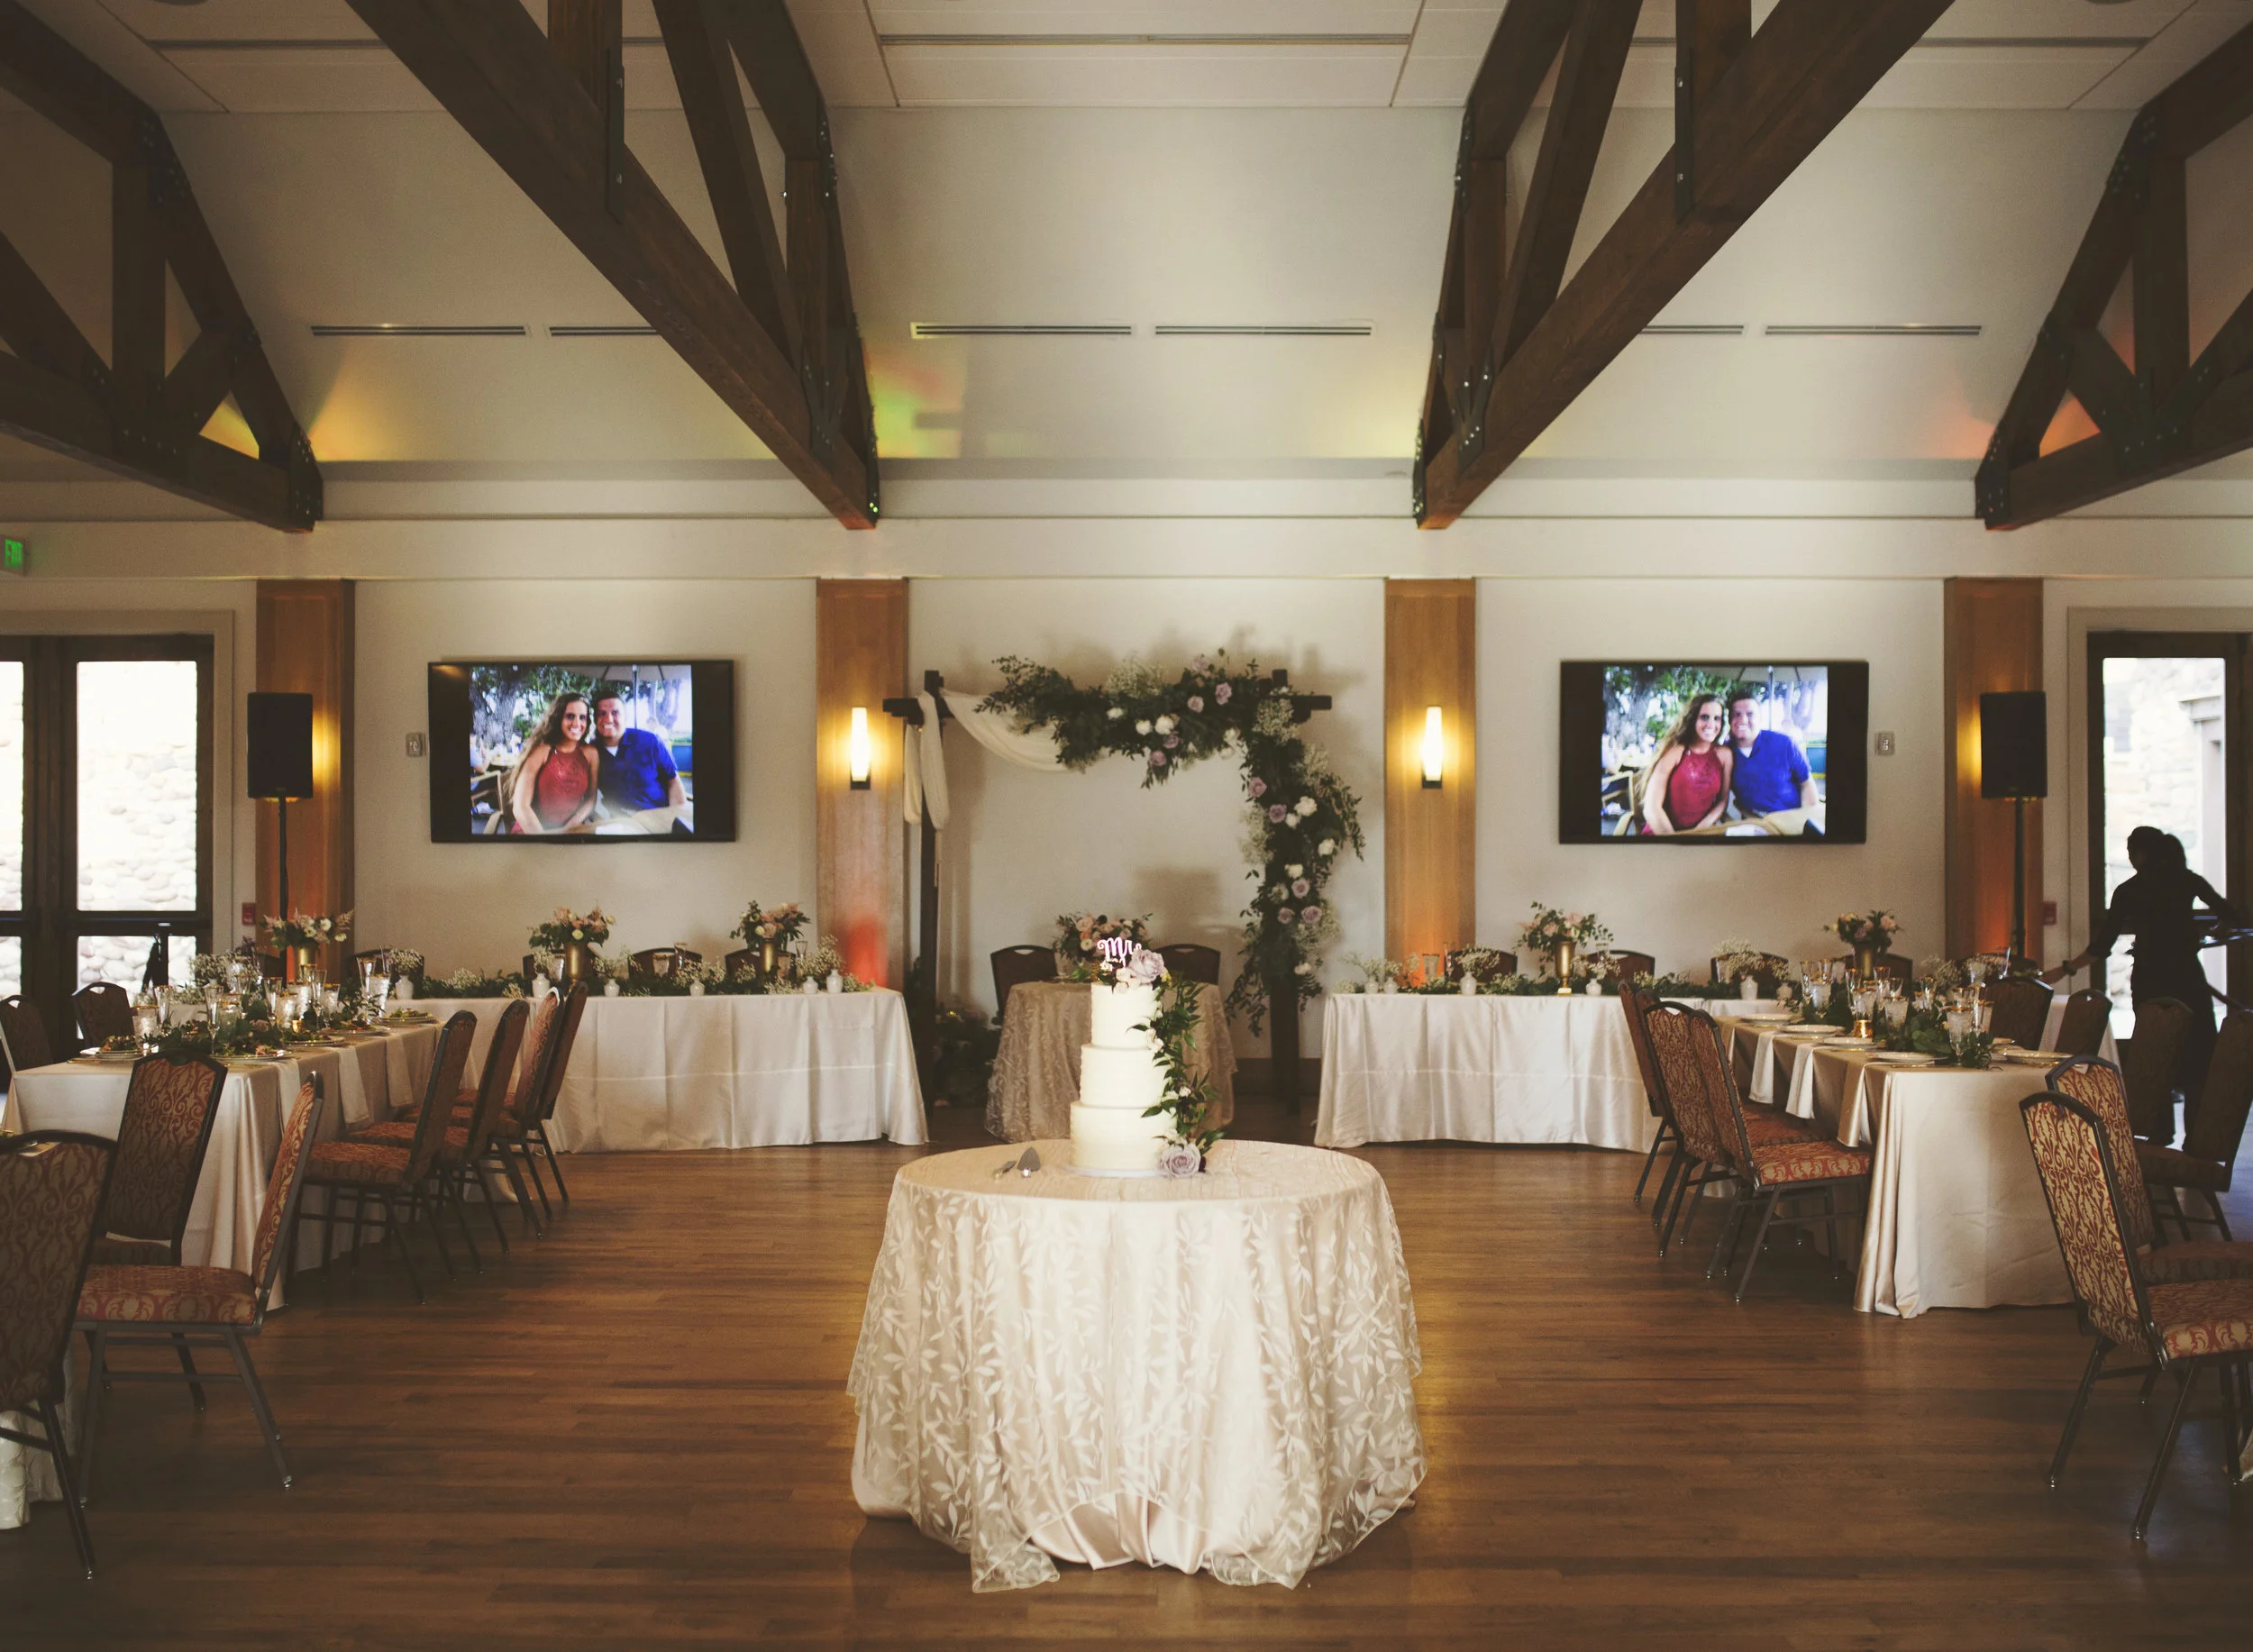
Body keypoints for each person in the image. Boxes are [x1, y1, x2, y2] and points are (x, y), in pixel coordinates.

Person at [2044, 825, 2237, 1137]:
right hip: (2188, 977)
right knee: (2199, 1056)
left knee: (2154, 1053)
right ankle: (2200, 1137)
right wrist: (2216, 931)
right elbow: (2229, 913)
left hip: (2150, 979)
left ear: (2140, 854)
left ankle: (2158, 1132)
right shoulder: (2187, 880)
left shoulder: (2129, 890)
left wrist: (2065, 970)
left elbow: (2101, 947)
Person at [503, 694, 600, 834]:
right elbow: (520, 807)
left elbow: (591, 800)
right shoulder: (541, 751)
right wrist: (545, 840)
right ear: (558, 718)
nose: (577, 723)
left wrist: (570, 827)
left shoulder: (591, 754)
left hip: (571, 831)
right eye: (570, 716)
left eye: (582, 717)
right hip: (533, 832)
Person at [1724, 689, 1820, 826]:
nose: (1743, 720)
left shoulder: (1785, 743)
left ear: (1760, 718)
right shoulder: (1725, 753)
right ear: (1729, 720)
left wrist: (1806, 822)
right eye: (1736, 714)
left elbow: (1806, 783)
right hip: (1753, 822)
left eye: (1750, 714)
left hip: (1790, 818)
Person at [1639, 694, 1732, 835]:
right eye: (1704, 717)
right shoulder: (1675, 753)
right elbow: (1651, 808)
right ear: (1693, 719)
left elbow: (1722, 801)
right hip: (1663, 833)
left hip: (1701, 834)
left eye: (1717, 718)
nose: (1711, 724)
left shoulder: (1725, 755)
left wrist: (1699, 831)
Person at [589, 689, 688, 821]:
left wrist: (676, 819)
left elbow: (673, 782)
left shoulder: (651, 742)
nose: (609, 719)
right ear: (595, 719)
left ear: (626, 716)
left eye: (615, 713)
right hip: (620, 822)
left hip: (658, 817)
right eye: (602, 714)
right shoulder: (592, 752)